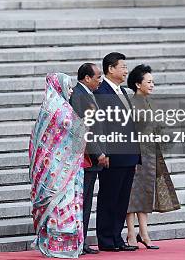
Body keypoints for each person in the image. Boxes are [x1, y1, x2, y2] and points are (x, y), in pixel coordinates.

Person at [29, 73, 87, 258]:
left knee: (63, 204)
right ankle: (55, 245)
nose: (71, 90)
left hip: (63, 167)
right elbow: (76, 128)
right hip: (56, 169)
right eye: (68, 86)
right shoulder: (57, 107)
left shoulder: (54, 106)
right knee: (60, 204)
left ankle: (58, 245)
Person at [125, 64, 181, 250]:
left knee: (146, 194)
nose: (152, 85)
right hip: (135, 154)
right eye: (149, 82)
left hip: (150, 156)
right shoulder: (130, 103)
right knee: (132, 194)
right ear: (137, 84)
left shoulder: (150, 102)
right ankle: (131, 234)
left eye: (153, 82)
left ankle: (144, 233)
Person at [93, 52, 140, 252]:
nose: (126, 71)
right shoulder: (101, 92)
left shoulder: (123, 92)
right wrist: (103, 153)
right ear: (110, 69)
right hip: (112, 156)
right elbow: (100, 126)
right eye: (122, 67)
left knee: (121, 200)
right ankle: (106, 239)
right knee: (109, 198)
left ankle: (117, 237)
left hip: (128, 155)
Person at [69, 63, 107, 255]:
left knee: (85, 202)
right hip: (86, 159)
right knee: (82, 202)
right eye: (98, 77)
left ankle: (81, 241)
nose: (100, 80)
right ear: (86, 78)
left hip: (90, 158)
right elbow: (82, 129)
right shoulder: (78, 95)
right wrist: (97, 152)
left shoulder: (87, 93)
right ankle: (79, 242)